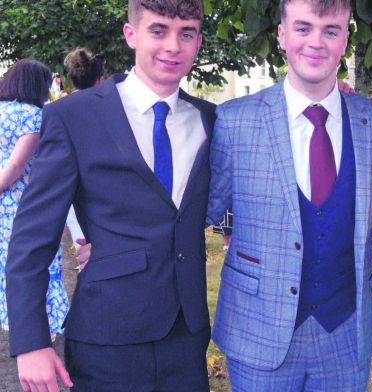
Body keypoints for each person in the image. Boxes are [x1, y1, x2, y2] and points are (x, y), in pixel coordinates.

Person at [6, 0, 216, 390]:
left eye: (186, 33)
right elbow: (32, 237)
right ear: (131, 34)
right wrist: (32, 340)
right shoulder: (74, 117)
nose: (173, 45)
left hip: (186, 340)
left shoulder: (210, 118)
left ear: (198, 42)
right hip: (107, 338)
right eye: (158, 30)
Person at [206, 0, 372, 390]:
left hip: (344, 339)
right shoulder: (234, 120)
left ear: (345, 39)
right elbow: (202, 212)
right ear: (281, 34)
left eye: (330, 30)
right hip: (259, 333)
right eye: (303, 27)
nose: (316, 42)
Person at [0, 59, 70, 340]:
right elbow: (16, 167)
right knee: (34, 261)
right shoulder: (33, 116)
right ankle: (42, 325)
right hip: (22, 203)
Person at [61, 47, 107, 250]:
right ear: (100, 79)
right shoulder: (109, 107)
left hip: (72, 189)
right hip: (104, 192)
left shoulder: (60, 109)